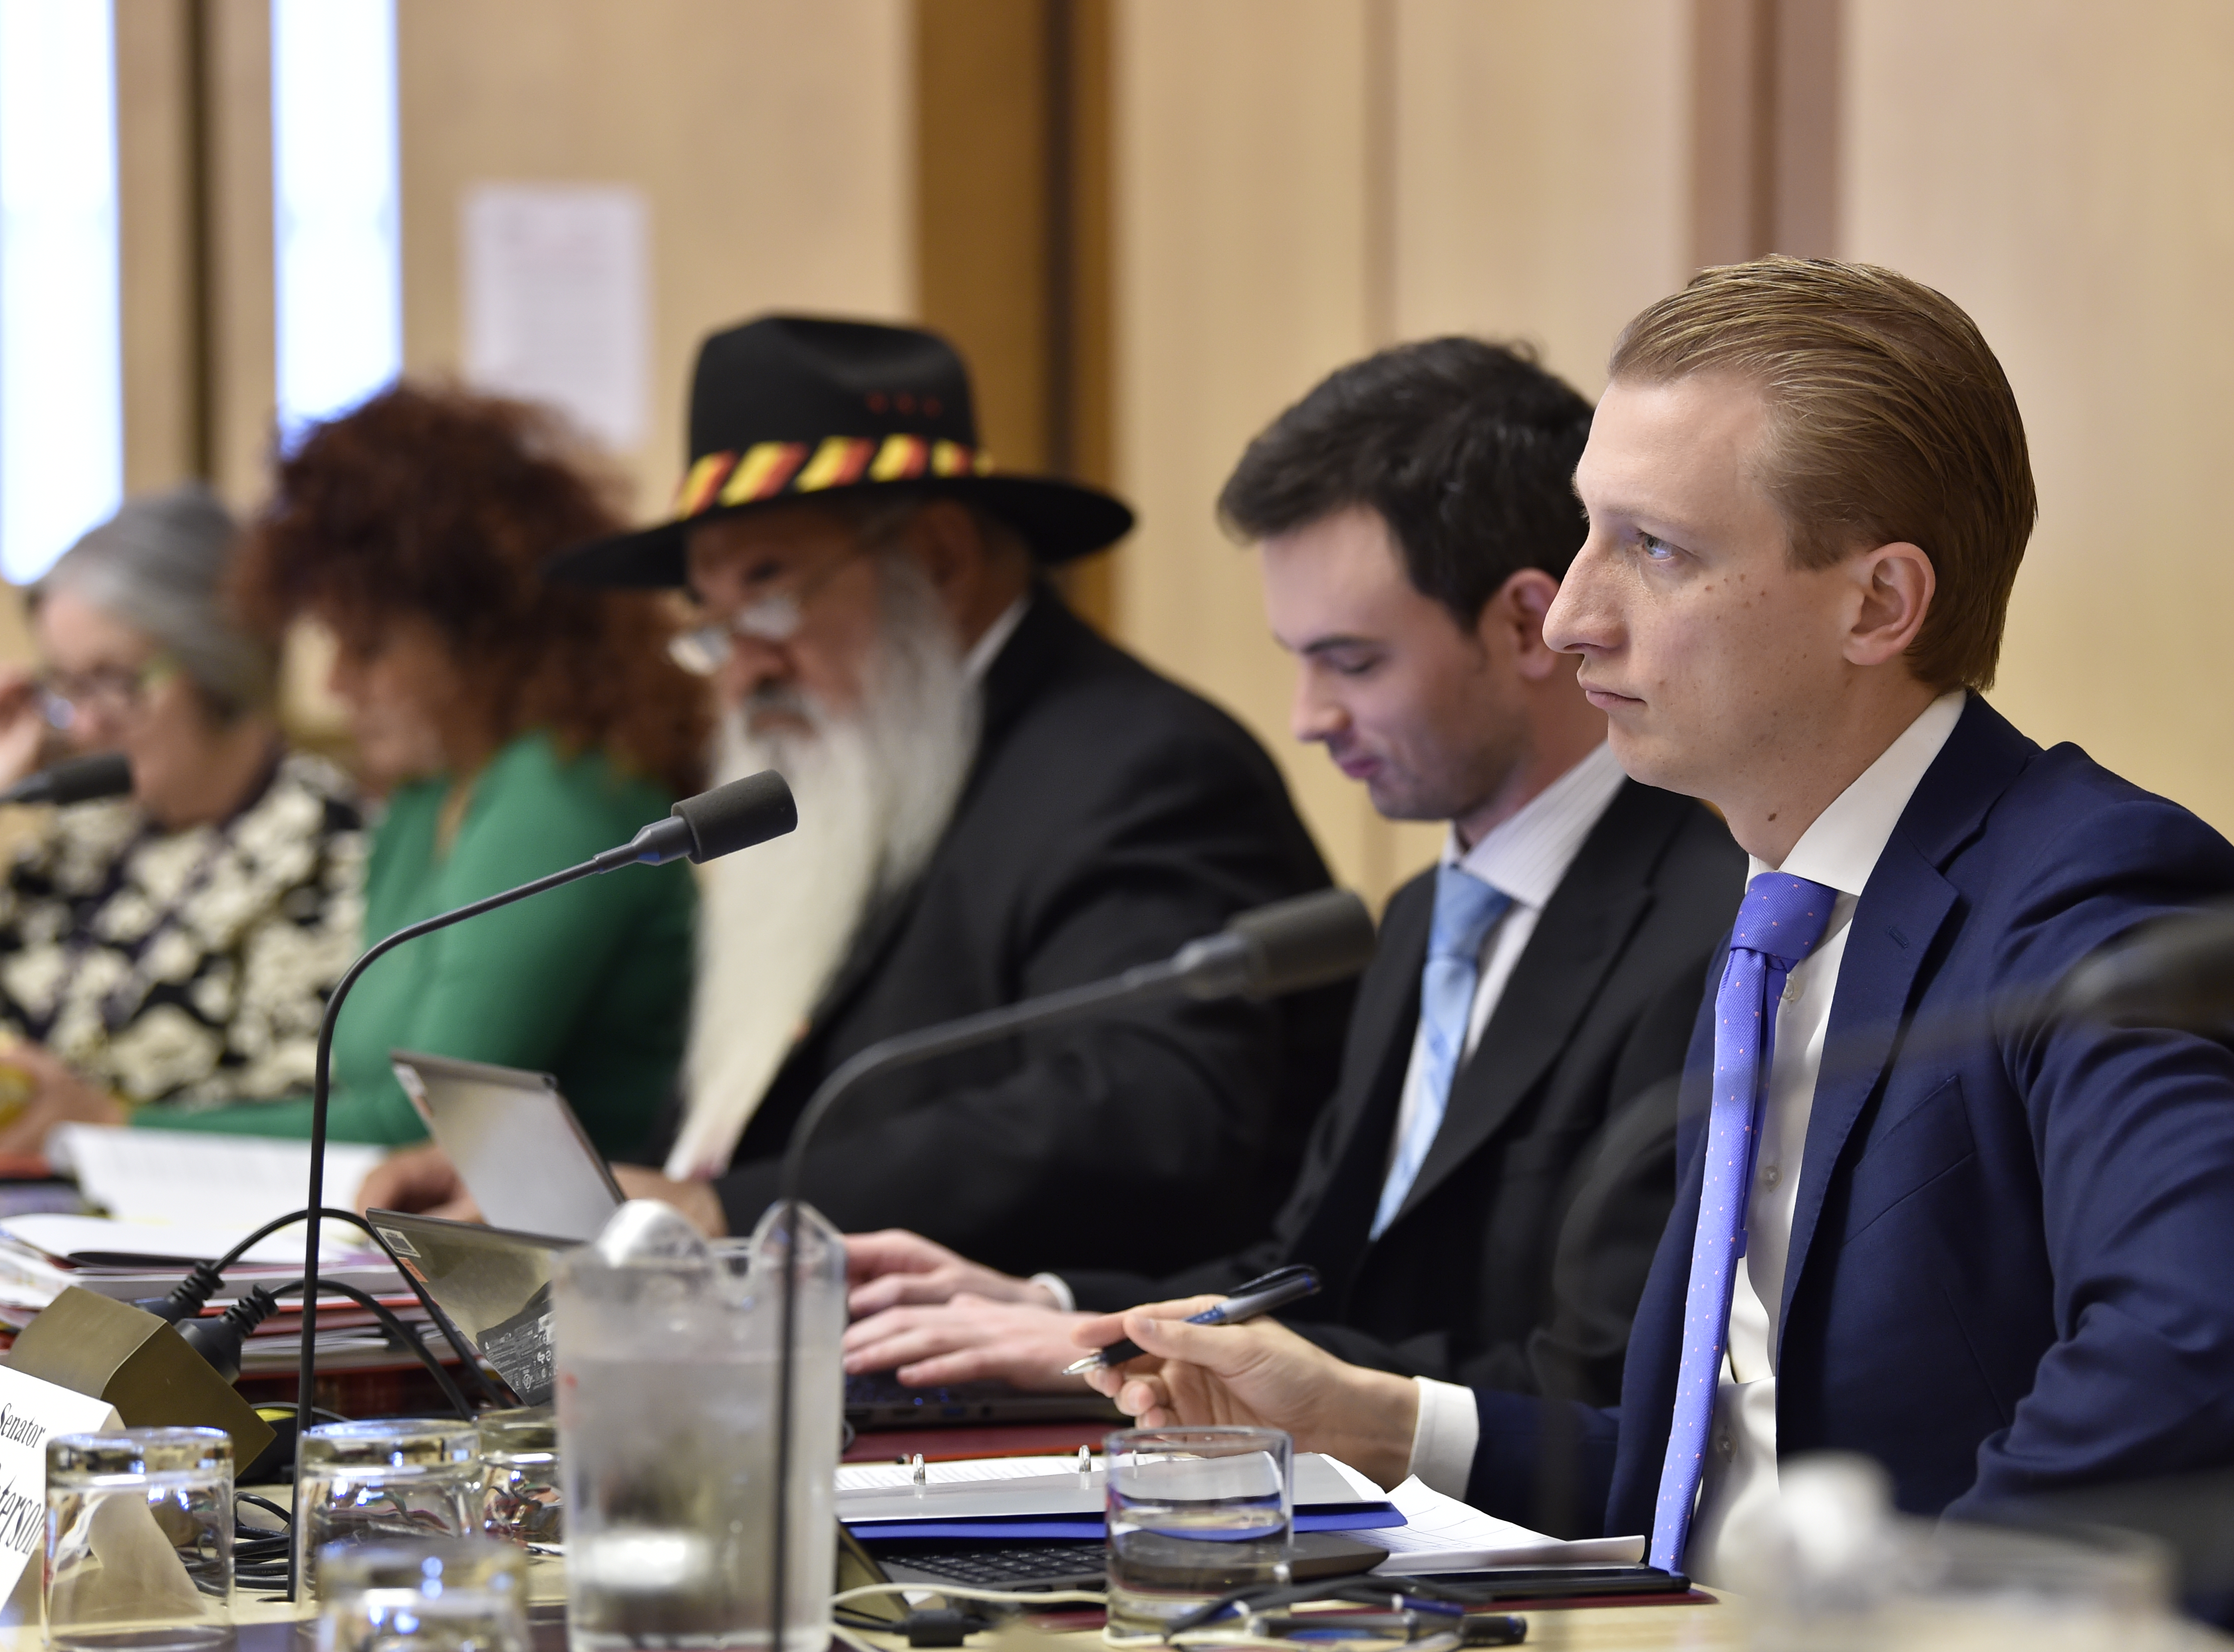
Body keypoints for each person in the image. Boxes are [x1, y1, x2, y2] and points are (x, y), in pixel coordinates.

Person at [1070, 259, 2234, 1600]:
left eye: (1655, 550)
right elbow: (1707, 1479)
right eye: (1587, 533)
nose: (1571, 613)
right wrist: (1369, 1418)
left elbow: (2185, 1370)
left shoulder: (2097, 890)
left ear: (1879, 604)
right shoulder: (1777, 909)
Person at [836, 337, 1744, 1407]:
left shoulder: (1713, 920)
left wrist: (1130, 1352)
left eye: (1352, 662)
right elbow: (1311, 1271)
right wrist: (1055, 1308)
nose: (1309, 719)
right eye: (1297, 658)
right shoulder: (1421, 917)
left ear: (1524, 624)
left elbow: (1599, 1386)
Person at [363, 317, 1350, 1278]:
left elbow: (1146, 1108)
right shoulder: (865, 760)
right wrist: (555, 1190)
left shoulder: (1142, 766)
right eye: (711, 620)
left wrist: (730, 1214)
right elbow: (768, 1120)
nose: (742, 669)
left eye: (770, 592)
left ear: (940, 559)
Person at [151, 384, 709, 1154]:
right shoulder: (427, 799)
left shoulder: (560, 796)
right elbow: (366, 1096)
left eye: (371, 647)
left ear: (483, 638)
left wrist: (113, 1127)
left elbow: (421, 1123)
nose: (335, 685)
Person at [0, 487, 363, 1150]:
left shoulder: (330, 849)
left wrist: (106, 1122)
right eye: (65, 687)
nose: (83, 724)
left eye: (114, 681)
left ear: (217, 661)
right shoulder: (82, 839)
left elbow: (318, 1117)